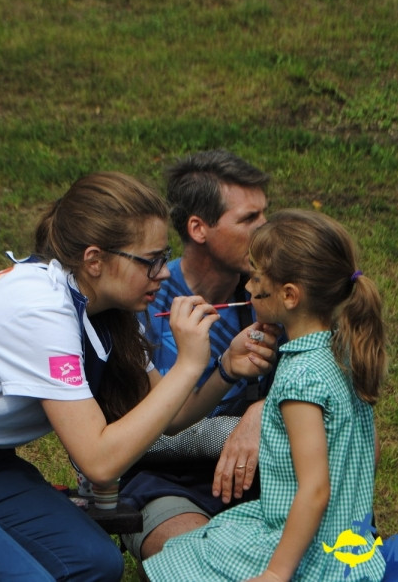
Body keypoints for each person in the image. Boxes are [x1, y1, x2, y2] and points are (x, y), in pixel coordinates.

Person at [0, 171, 277, 582]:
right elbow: (99, 461)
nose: (163, 273)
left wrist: (221, 369)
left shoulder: (106, 308)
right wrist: (190, 364)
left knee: (93, 562)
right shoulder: (40, 310)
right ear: (95, 259)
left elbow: (169, 417)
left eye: (164, 258)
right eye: (150, 261)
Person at [143, 209, 387, 582]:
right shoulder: (342, 354)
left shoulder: (298, 379)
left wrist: (276, 572)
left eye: (256, 277)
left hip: (314, 558)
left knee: (180, 561)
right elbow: (360, 459)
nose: (247, 288)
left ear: (289, 295)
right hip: (351, 544)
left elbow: (315, 489)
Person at [119, 149, 275, 566]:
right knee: (196, 564)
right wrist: (232, 429)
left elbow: (322, 379)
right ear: (198, 228)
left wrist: (263, 409)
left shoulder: (270, 296)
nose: (265, 231)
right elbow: (142, 435)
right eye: (248, 219)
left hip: (257, 471)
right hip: (162, 480)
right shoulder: (143, 302)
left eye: (265, 215)